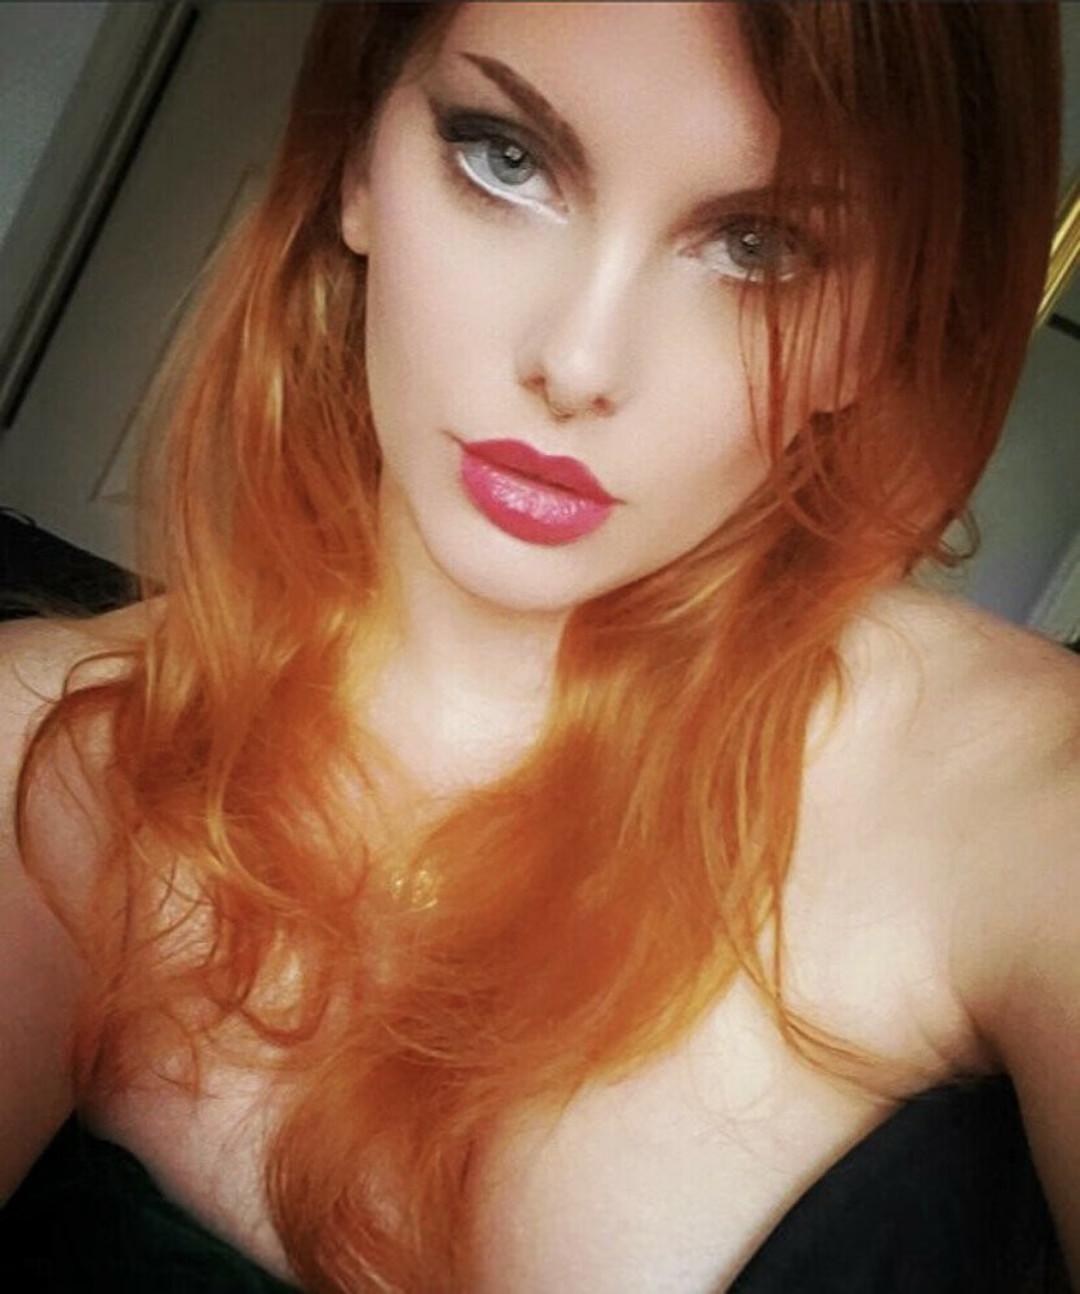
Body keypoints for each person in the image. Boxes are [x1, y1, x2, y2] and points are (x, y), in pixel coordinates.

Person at [1, 2, 1077, 1291]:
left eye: (760, 245)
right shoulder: (47, 749)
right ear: (356, 163)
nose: (575, 362)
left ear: (882, 327)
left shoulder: (1013, 792)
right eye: (503, 156)